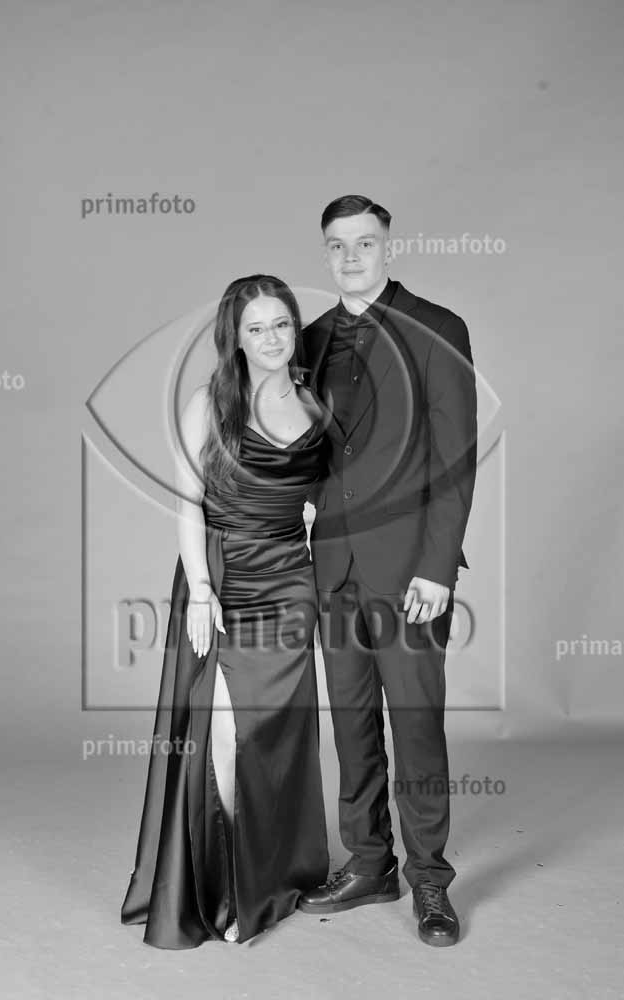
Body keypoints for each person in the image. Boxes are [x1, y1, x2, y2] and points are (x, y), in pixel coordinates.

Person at [121, 274, 329, 947]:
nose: (271, 339)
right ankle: (228, 891)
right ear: (234, 338)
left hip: (291, 582)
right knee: (226, 737)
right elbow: (188, 500)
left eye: (281, 324)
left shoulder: (315, 401)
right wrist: (202, 590)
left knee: (277, 738)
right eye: (255, 328)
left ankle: (272, 877)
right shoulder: (208, 403)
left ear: (294, 328)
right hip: (224, 577)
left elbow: (326, 494)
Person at [298, 195, 478, 947]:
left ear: (387, 246)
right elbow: (308, 448)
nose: (350, 257)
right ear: (326, 253)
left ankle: (429, 879)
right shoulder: (307, 339)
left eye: (364, 243)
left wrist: (437, 567)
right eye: (337, 245)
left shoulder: (439, 329)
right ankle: (369, 864)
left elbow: (455, 457)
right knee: (350, 724)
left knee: (416, 724)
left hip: (410, 571)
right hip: (333, 565)